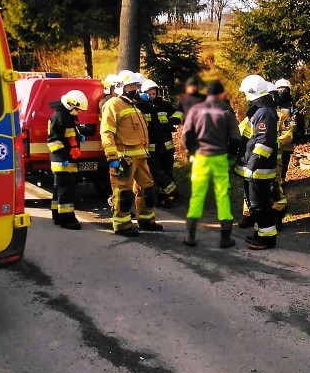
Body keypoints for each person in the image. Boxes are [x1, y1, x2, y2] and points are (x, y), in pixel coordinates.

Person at [101, 71, 163, 237]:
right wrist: (112, 157)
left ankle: (146, 220)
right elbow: (107, 132)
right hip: (124, 157)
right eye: (131, 86)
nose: (135, 89)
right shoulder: (113, 104)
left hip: (140, 156)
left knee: (147, 189)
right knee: (123, 192)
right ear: (121, 87)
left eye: (136, 86)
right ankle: (122, 225)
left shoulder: (133, 105)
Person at [180, 80, 241, 248]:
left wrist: (193, 151)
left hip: (200, 158)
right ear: (221, 94)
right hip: (220, 157)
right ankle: (225, 238)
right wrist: (230, 155)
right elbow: (235, 137)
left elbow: (185, 135)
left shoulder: (195, 110)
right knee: (222, 195)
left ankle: (190, 235)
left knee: (197, 195)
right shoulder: (225, 110)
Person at [234, 74, 279, 250]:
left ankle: (267, 239)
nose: (245, 96)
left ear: (253, 92)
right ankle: (260, 232)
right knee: (254, 204)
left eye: (246, 93)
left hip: (258, 168)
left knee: (260, 204)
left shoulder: (264, 113)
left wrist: (253, 165)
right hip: (252, 167)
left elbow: (263, 143)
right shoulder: (258, 111)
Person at [47, 89, 89, 230]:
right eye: (78, 109)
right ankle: (67, 219)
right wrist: (63, 158)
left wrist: (78, 138)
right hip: (62, 161)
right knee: (66, 191)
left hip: (64, 160)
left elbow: (67, 134)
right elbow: (53, 141)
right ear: (71, 105)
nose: (79, 112)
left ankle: (57, 216)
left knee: (58, 189)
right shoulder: (60, 116)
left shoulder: (65, 115)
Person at [139, 79, 181, 208]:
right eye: (149, 94)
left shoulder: (165, 105)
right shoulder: (140, 107)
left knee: (167, 173)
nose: (152, 96)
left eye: (154, 93)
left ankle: (165, 200)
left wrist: (175, 119)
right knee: (157, 173)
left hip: (167, 147)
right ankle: (173, 190)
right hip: (151, 149)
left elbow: (179, 113)